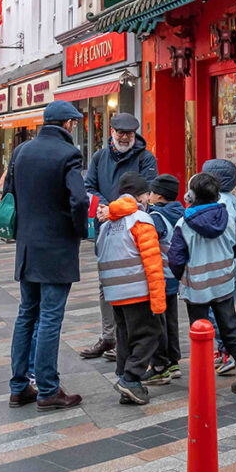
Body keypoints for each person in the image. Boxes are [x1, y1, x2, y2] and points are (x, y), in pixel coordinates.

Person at [7, 100, 90, 411]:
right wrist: (81, 230)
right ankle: (48, 388)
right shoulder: (68, 153)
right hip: (56, 248)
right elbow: (79, 200)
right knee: (51, 317)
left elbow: (9, 195)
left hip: (27, 247)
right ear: (67, 124)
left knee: (27, 313)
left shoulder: (21, 151)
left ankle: (19, 386)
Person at [168, 171, 236, 396]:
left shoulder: (183, 224)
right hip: (224, 282)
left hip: (196, 286)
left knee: (200, 331)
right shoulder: (228, 217)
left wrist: (184, 276)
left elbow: (176, 259)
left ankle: (202, 380)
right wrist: (227, 258)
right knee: (230, 326)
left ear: (191, 195)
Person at [79, 113, 157, 361]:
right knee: (106, 283)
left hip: (134, 233)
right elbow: (88, 187)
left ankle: (126, 340)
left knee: (134, 284)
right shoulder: (99, 157)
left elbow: (148, 193)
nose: (125, 137)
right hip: (107, 231)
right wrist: (105, 208)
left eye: (130, 134)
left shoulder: (146, 159)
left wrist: (113, 209)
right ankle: (109, 336)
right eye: (120, 133)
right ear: (111, 132)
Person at [96, 172, 166, 405]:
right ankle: (131, 378)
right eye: (147, 194)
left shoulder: (108, 222)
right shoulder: (141, 220)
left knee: (124, 336)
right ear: (141, 195)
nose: (148, 199)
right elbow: (152, 262)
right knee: (150, 334)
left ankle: (126, 378)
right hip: (137, 289)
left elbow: (100, 253)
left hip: (114, 293)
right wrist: (158, 300)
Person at [200, 158, 236, 375]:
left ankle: (230, 350)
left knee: (217, 310)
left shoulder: (221, 204)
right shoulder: (232, 200)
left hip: (223, 265)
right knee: (224, 308)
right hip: (232, 263)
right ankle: (224, 349)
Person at [142, 173, 185, 386]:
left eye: (150, 192)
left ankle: (159, 366)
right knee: (171, 320)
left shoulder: (157, 217)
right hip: (174, 275)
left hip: (159, 277)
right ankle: (173, 361)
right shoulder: (180, 212)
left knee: (156, 322)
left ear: (157, 195)